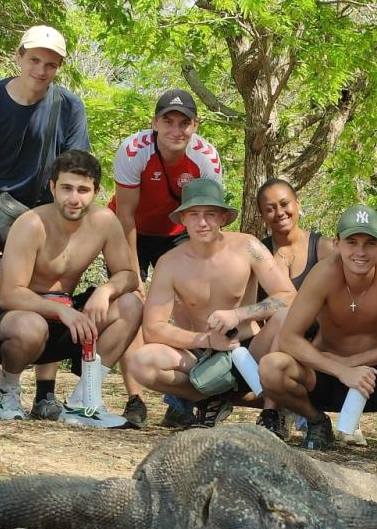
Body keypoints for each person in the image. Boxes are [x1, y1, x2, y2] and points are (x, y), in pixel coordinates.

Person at [0, 25, 90, 420]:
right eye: (34, 59)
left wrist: (64, 223)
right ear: (18, 57)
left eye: (51, 63)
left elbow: (74, 168)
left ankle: (46, 393)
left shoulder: (69, 106)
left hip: (46, 210)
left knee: (53, 288)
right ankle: (4, 389)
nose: (41, 69)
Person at [259, 205, 377, 466]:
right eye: (352, 242)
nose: (360, 252)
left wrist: (354, 363)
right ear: (337, 244)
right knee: (272, 367)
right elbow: (290, 338)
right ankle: (316, 421)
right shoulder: (324, 273)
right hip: (325, 376)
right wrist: (339, 368)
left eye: (370, 243)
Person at [0, 150, 142, 427]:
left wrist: (106, 290)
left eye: (83, 190)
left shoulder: (105, 222)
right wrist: (59, 311)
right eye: (66, 188)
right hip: (16, 320)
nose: (74, 198)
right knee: (31, 326)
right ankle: (5, 391)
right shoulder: (31, 224)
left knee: (131, 304)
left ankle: (83, 400)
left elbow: (129, 275)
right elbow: (10, 294)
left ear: (96, 191)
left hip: (67, 320)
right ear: (53, 187)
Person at [122, 179, 295, 427]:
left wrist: (239, 315)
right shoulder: (169, 263)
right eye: (194, 214)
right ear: (182, 219)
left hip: (248, 348)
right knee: (141, 362)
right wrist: (206, 341)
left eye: (210, 214)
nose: (202, 222)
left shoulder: (248, 246)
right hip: (202, 351)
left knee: (285, 316)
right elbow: (153, 328)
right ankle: (209, 399)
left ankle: (271, 412)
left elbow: (288, 295)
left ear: (223, 217)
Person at [111, 89, 223, 428]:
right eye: (168, 121)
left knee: (190, 306)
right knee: (134, 304)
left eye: (184, 123)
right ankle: (135, 400)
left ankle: (182, 400)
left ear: (195, 126)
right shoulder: (134, 151)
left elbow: (208, 218)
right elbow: (125, 215)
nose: (176, 130)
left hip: (178, 232)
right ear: (155, 123)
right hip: (132, 229)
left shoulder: (206, 159)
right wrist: (133, 273)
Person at [253, 178, 335, 439]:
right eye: (270, 208)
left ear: (298, 204)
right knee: (284, 316)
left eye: (285, 204)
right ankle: (273, 413)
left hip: (315, 343)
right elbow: (249, 306)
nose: (280, 213)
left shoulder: (324, 249)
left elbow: (338, 308)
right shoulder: (258, 252)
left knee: (289, 320)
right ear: (262, 215)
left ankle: (274, 412)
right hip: (270, 344)